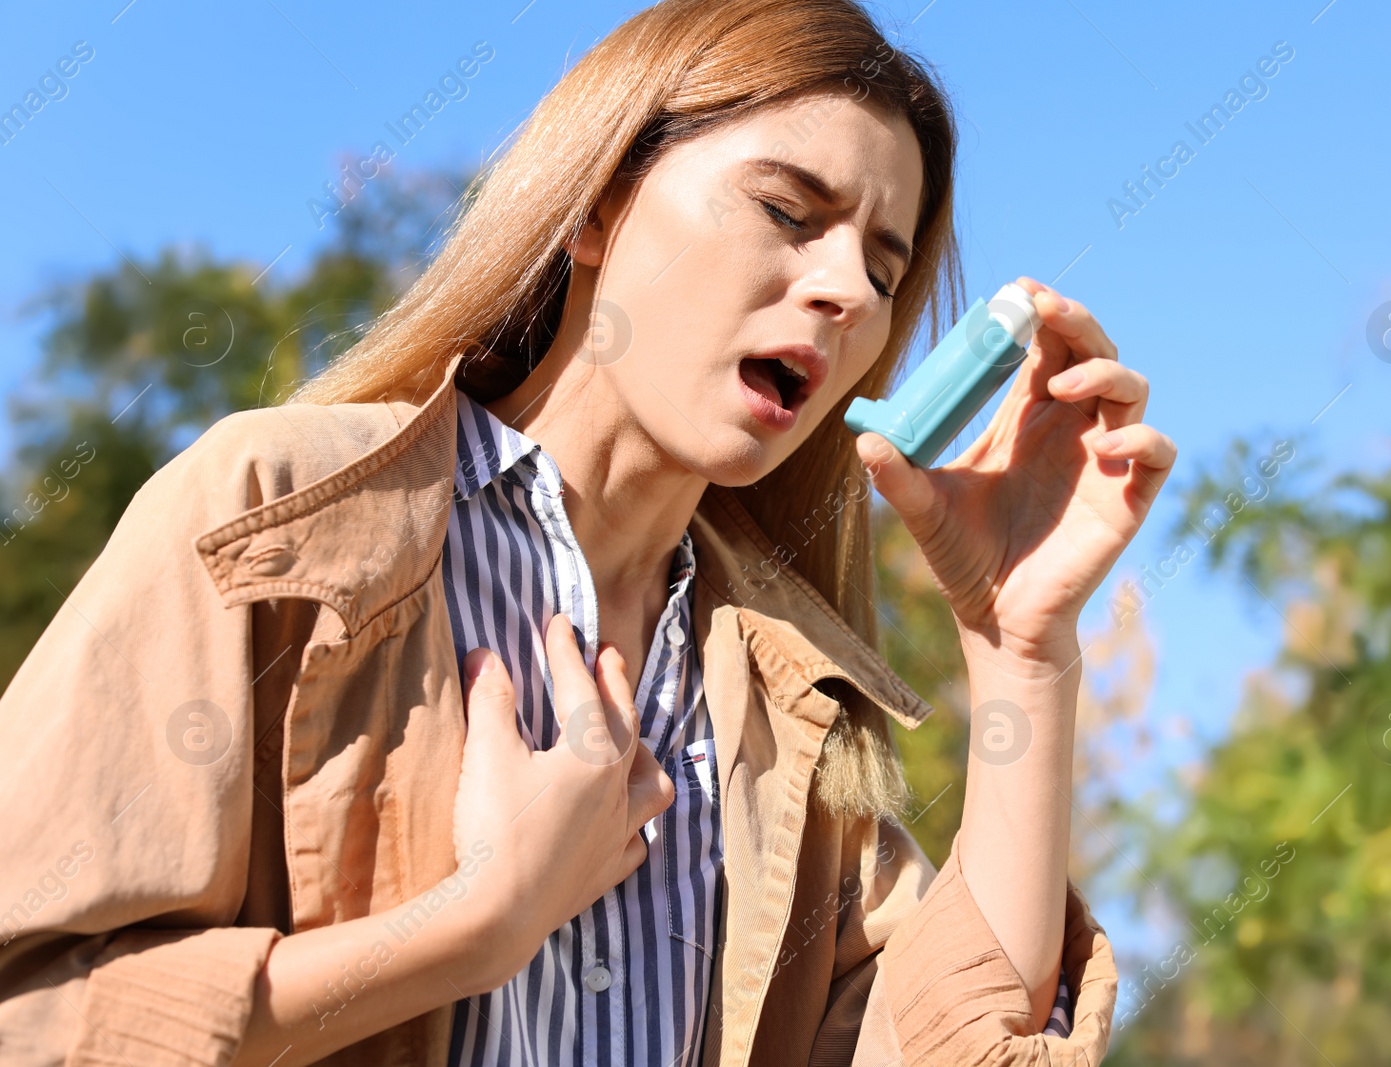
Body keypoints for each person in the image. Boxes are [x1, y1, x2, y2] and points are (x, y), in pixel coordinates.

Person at [0, 0, 1174, 1063]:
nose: (848, 295)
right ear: (602, 203)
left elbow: (966, 1051)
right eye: (787, 210)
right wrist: (477, 921)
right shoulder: (268, 518)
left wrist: (1021, 649)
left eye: (884, 265)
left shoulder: (793, 700)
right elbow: (34, 1013)